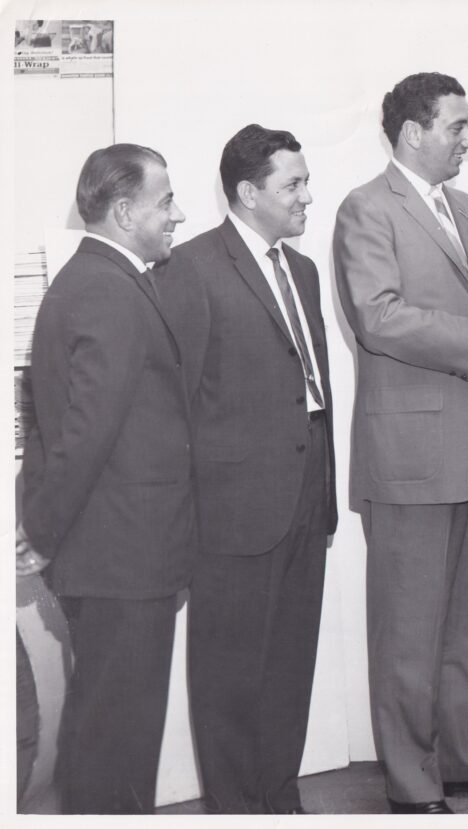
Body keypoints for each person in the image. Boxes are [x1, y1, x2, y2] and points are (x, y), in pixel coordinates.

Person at [333, 72, 468, 815]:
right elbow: (378, 318)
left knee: (467, 626)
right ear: (414, 132)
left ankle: (462, 762)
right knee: (409, 635)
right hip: (412, 462)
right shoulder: (364, 211)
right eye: (459, 126)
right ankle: (412, 786)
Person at [160, 124, 337, 814]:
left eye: (304, 180)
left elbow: (310, 385)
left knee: (290, 664)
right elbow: (177, 402)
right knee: (228, 674)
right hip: (232, 508)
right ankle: (235, 807)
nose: (306, 196)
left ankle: (278, 796)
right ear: (247, 192)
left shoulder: (304, 269)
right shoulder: (192, 267)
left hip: (305, 492)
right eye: (292, 184)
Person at [16, 143, 190, 813]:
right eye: (166, 200)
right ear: (124, 211)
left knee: (111, 734)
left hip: (120, 555)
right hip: (122, 559)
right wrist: (43, 531)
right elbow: (84, 434)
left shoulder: (102, 281)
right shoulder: (106, 289)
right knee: (117, 741)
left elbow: (51, 420)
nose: (178, 213)